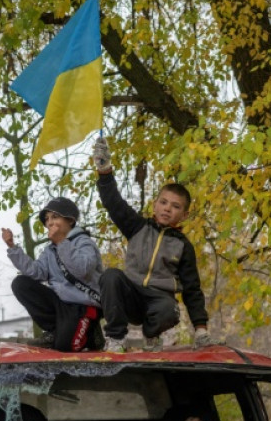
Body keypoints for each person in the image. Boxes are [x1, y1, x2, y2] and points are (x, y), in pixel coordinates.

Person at [91, 136, 212, 353]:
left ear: (183, 215)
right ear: (155, 205)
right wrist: (104, 170)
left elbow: (192, 289)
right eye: (163, 202)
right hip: (131, 294)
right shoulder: (138, 227)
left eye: (175, 207)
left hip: (158, 301)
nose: (167, 209)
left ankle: (151, 335)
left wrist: (201, 328)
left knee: (170, 309)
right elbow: (114, 203)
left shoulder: (183, 247)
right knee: (110, 276)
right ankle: (116, 339)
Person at [1, 196, 104, 351]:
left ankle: (91, 335)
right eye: (47, 219)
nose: (49, 222)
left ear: (70, 220)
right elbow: (36, 272)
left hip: (82, 306)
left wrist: (62, 242)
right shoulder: (50, 251)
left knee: (63, 348)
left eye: (55, 217)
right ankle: (54, 331)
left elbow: (82, 269)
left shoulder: (84, 242)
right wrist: (12, 247)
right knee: (21, 284)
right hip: (60, 304)